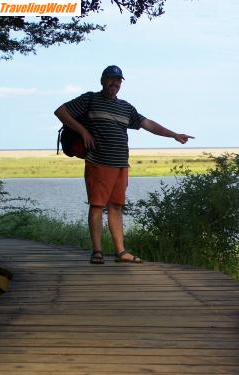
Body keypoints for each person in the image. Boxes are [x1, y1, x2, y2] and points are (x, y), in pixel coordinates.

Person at [54, 65, 194, 264]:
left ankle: (121, 252)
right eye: (111, 79)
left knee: (116, 207)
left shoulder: (126, 107)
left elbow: (148, 124)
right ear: (102, 80)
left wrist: (174, 135)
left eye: (118, 80)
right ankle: (97, 252)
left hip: (120, 164)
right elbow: (60, 111)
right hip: (98, 162)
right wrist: (83, 131)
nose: (114, 83)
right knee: (96, 206)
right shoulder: (90, 99)